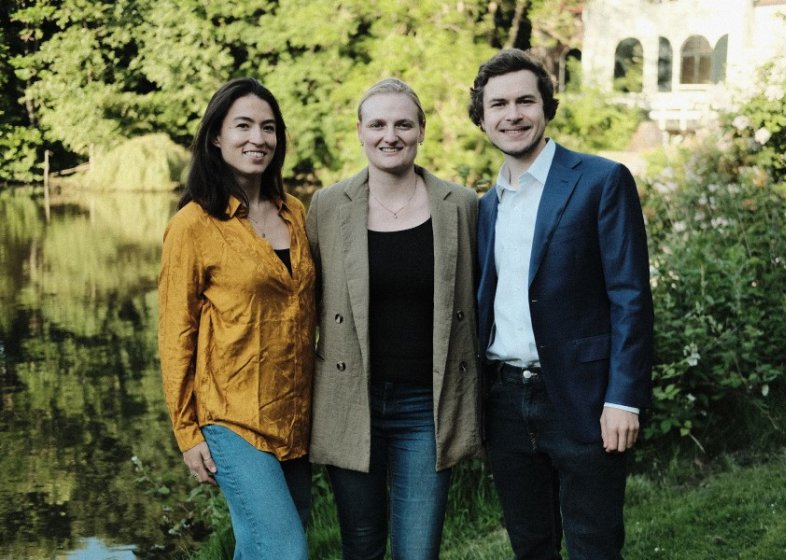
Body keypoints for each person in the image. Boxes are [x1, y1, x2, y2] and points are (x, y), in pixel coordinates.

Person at [469, 49, 654, 559]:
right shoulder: (484, 206)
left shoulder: (600, 180)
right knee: (531, 545)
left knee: (594, 544)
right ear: (482, 119)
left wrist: (623, 398)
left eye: (525, 100)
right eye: (499, 105)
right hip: (505, 400)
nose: (513, 115)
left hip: (585, 397)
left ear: (546, 107)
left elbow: (630, 296)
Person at [305, 78, 482, 560]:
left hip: (426, 405)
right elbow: (304, 303)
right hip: (350, 397)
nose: (391, 135)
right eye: (378, 124)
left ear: (422, 131)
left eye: (404, 124)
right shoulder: (326, 206)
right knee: (360, 545)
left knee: (417, 550)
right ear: (359, 131)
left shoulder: (462, 206)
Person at [158, 77, 315, 560]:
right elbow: (174, 334)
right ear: (216, 138)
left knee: (258, 545)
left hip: (295, 415)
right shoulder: (193, 225)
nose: (258, 139)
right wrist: (187, 433)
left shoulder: (296, 214)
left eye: (268, 128)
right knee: (286, 549)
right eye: (243, 126)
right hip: (231, 415)